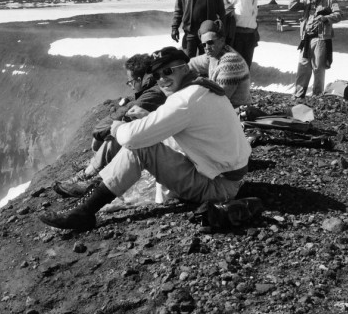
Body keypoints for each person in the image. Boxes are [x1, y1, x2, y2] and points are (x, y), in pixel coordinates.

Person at [39, 47, 251, 231]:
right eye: (157, 75)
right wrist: (149, 119)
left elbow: (132, 138)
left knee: (140, 147)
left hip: (219, 187)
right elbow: (185, 128)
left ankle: (85, 209)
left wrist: (118, 128)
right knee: (149, 140)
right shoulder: (200, 88)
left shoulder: (184, 100)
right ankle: (94, 189)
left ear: (185, 68)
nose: (162, 79)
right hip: (225, 176)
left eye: (168, 71)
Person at [53, 54, 166, 197]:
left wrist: (101, 130)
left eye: (130, 82)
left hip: (161, 145)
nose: (131, 87)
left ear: (140, 79)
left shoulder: (154, 94)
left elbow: (122, 116)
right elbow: (134, 101)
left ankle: (89, 175)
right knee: (121, 129)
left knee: (119, 132)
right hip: (159, 138)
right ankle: (95, 165)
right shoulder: (152, 88)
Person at [288, 0, 342, 98]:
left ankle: (317, 95)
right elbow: (291, 7)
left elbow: (339, 14)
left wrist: (325, 18)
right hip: (306, 38)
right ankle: (298, 94)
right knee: (303, 66)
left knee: (318, 67)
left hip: (321, 38)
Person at [189, 20, 252, 108]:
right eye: (203, 44)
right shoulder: (213, 55)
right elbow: (191, 65)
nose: (207, 48)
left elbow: (220, 98)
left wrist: (199, 82)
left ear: (222, 40)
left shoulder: (231, 62)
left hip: (237, 112)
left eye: (210, 42)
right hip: (225, 108)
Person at [225, 0, 268, 68]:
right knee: (235, 63)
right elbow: (224, 6)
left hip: (250, 36)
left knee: (247, 63)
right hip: (237, 36)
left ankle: (245, 81)